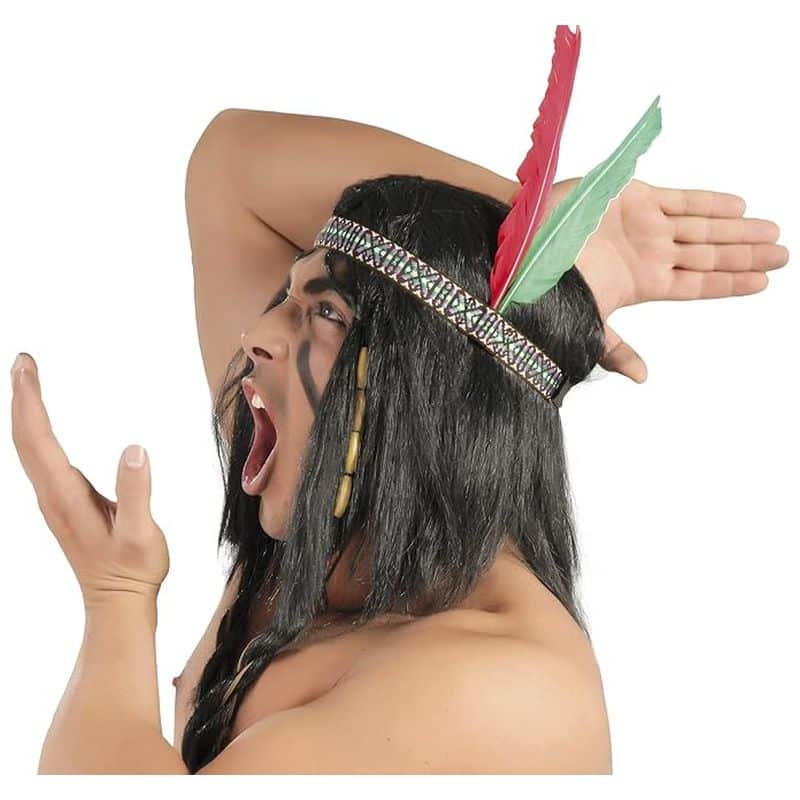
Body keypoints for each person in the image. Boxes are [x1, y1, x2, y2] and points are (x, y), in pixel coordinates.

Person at [13, 108, 788, 775]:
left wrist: (117, 600)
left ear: (427, 386)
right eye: (287, 295)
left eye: (325, 313)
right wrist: (518, 234)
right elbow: (232, 163)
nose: (255, 335)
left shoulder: (503, 687)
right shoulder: (335, 506)